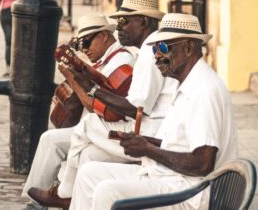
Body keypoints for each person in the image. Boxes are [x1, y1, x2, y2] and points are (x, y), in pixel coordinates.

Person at [69, 13, 239, 210]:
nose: (157, 55)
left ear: (189, 47)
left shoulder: (203, 91)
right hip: (172, 178)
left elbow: (202, 164)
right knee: (88, 173)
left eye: (164, 47)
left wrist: (148, 150)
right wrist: (145, 142)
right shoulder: (186, 83)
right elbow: (182, 145)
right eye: (156, 49)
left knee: (107, 192)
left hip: (192, 192)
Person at [27, 0, 179, 209]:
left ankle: (64, 193)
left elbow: (135, 108)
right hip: (151, 128)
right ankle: (65, 197)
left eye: (125, 21)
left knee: (88, 125)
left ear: (144, 21)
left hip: (150, 135)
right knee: (88, 154)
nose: (119, 28)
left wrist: (93, 90)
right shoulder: (149, 49)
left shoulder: (148, 52)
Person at [22, 15, 136, 210]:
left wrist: (72, 78)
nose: (83, 49)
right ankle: (39, 201)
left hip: (114, 128)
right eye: (79, 44)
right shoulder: (106, 60)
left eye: (86, 42)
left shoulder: (121, 60)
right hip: (102, 127)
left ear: (104, 36)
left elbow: (98, 106)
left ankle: (56, 197)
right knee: (51, 139)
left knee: (56, 142)